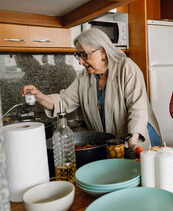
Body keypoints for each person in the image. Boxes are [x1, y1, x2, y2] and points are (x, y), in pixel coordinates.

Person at [21, 28, 162, 149]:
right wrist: (39, 96)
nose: (81, 62)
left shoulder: (126, 67)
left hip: (140, 141)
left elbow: (137, 107)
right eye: (78, 55)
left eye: (84, 55)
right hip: (114, 145)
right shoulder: (83, 77)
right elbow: (64, 101)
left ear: (102, 52)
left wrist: (133, 140)